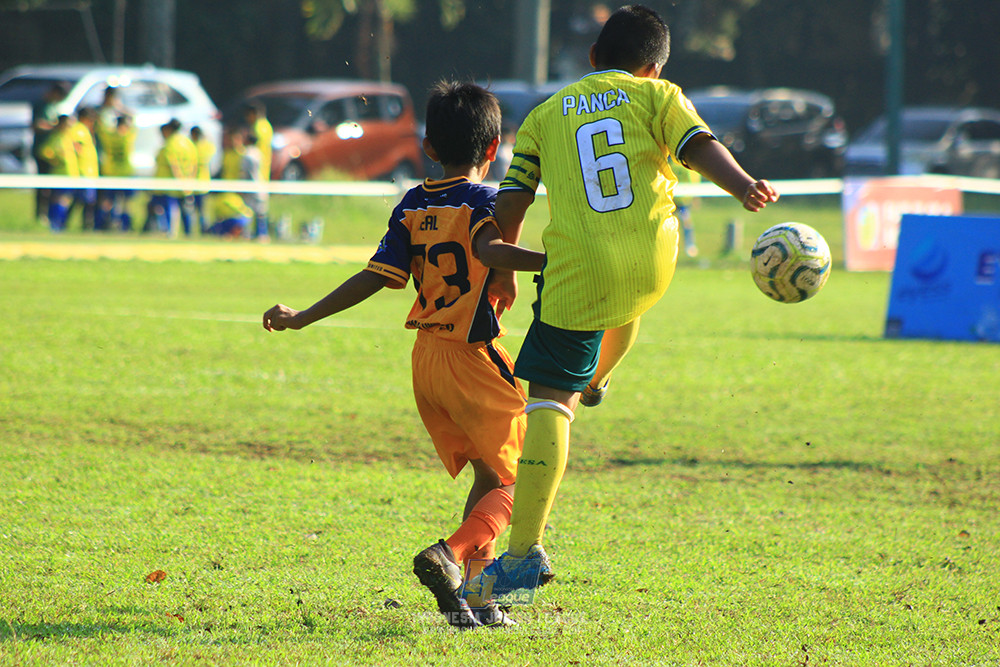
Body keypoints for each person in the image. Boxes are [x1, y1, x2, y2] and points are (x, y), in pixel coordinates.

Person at [477, 5, 779, 597]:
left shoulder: (542, 116)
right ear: (653, 66)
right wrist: (744, 184)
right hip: (654, 259)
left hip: (579, 269)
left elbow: (512, 199)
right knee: (624, 302)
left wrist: (501, 265)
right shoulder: (659, 96)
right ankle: (599, 379)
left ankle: (521, 554)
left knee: (546, 403)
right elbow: (699, 145)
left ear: (592, 59)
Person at [262, 81, 545, 629]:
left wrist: (302, 316)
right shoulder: (484, 201)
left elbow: (374, 277)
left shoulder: (412, 205)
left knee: (489, 475)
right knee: (527, 476)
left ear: (429, 147)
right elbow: (489, 249)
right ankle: (449, 555)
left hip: (427, 360)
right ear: (493, 152)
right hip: (473, 356)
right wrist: (549, 260)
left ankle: (480, 600)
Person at [146, 119, 198, 236]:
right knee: (185, 210)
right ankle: (189, 234)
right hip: (186, 184)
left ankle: (170, 232)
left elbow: (173, 165)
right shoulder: (188, 143)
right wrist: (189, 181)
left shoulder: (170, 144)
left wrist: (178, 181)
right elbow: (194, 164)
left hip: (169, 185)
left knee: (170, 209)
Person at [31, 82, 69, 224]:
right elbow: (36, 125)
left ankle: (50, 214)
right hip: (42, 151)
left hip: (55, 153)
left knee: (53, 186)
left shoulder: (54, 107)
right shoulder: (41, 105)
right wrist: (54, 127)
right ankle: (40, 215)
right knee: (42, 185)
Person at [36, 114, 78, 232]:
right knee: (60, 200)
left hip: (71, 174)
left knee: (66, 200)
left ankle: (59, 224)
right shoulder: (56, 137)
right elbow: (44, 152)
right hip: (60, 174)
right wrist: (55, 159)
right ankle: (55, 225)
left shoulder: (69, 136)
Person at [97, 114, 137, 231]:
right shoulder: (128, 136)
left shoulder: (109, 135)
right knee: (125, 203)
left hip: (111, 172)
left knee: (109, 201)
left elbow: (100, 127)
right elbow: (135, 126)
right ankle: (125, 226)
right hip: (125, 173)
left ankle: (102, 224)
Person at [243, 101, 272, 238]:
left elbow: (255, 152)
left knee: (254, 205)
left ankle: (259, 233)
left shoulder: (257, 128)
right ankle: (260, 232)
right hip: (264, 169)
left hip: (256, 170)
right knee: (261, 205)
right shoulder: (267, 126)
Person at [69, 106, 100, 231]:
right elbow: (75, 147)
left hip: (89, 172)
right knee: (85, 201)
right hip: (84, 172)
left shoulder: (84, 130)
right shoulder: (79, 130)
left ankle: (82, 225)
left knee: (82, 201)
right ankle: (85, 226)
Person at [190, 126, 217, 233]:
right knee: (203, 210)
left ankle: (192, 231)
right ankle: (203, 229)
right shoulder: (207, 146)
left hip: (193, 182)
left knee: (192, 210)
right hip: (204, 182)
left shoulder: (193, 147)